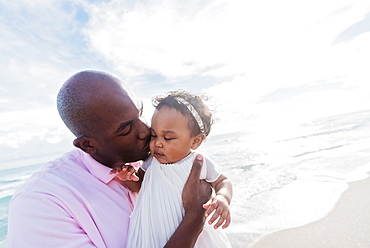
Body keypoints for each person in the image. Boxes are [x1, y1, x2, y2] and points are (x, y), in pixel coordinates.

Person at [7, 71, 211, 248]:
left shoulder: (149, 159)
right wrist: (195, 215)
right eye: (127, 129)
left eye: (140, 114)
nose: (145, 131)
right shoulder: (40, 203)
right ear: (88, 145)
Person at [113, 90, 233, 248]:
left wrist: (223, 198)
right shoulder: (152, 161)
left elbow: (223, 181)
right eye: (154, 135)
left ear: (195, 141)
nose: (158, 143)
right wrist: (129, 177)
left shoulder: (197, 162)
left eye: (168, 138)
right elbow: (139, 185)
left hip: (192, 235)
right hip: (152, 232)